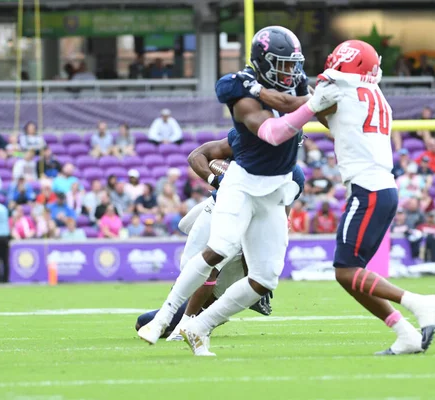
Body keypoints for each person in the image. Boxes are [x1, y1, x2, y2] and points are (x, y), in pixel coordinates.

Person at [138, 25, 341, 356]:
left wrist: (342, 111)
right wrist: (314, 101)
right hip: (238, 188)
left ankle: (197, 326)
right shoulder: (237, 89)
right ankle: (163, 320)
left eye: (294, 64)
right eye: (283, 64)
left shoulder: (295, 168)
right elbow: (274, 130)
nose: (291, 71)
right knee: (218, 250)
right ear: (262, 62)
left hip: (270, 197)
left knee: (264, 278)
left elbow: (300, 107)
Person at [314, 40, 435, 355]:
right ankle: (406, 334)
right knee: (350, 273)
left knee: (346, 270)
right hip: (381, 188)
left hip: (368, 189)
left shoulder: (343, 89)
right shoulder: (375, 95)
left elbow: (306, 109)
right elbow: (331, 120)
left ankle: (417, 303)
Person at [136, 128, 305, 340]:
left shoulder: (294, 176)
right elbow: (197, 156)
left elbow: (279, 216)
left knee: (244, 275)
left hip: (250, 221)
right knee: (202, 254)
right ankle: (175, 317)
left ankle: (192, 323)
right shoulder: (246, 140)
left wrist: (254, 267)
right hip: (221, 207)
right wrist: (213, 179)